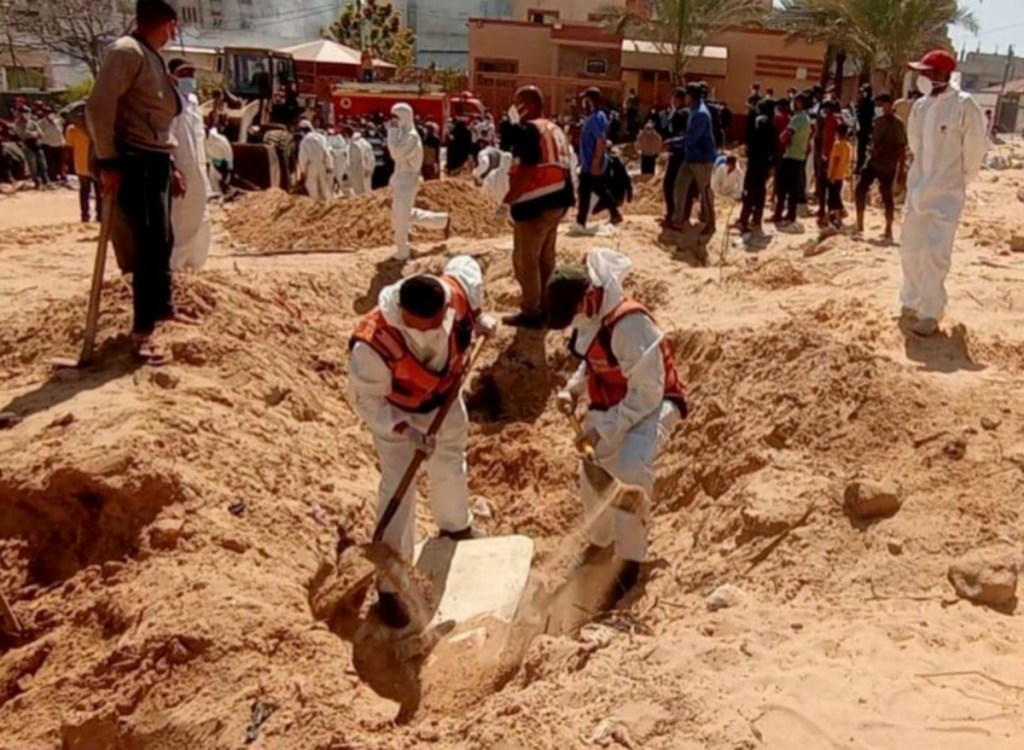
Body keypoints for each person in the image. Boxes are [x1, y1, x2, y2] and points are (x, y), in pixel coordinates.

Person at [348, 257, 496, 628]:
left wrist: (478, 319)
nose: (434, 331)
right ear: (402, 313)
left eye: (438, 323)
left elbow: (468, 269)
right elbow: (368, 402)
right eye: (423, 327)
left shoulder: (454, 291)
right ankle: (391, 585)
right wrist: (406, 431)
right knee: (400, 485)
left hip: (444, 400)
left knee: (449, 460)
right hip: (397, 414)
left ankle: (455, 524)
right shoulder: (373, 344)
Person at [548, 248, 688, 600]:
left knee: (629, 470)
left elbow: (647, 394)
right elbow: (592, 361)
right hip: (612, 401)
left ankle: (628, 562)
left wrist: (605, 428)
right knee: (592, 474)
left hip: (654, 404)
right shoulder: (590, 315)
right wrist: (573, 390)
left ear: (586, 297)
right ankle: (601, 544)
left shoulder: (629, 324)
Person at [87, 0, 188, 365]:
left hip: (155, 159)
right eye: (174, 27)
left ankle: (162, 309)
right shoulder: (126, 52)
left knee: (162, 240)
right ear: (168, 24)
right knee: (146, 245)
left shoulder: (150, 55)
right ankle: (142, 332)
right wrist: (109, 160)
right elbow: (98, 108)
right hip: (133, 161)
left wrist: (171, 165)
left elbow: (158, 120)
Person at [900, 49, 986, 337]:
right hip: (918, 191)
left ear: (943, 75)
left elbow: (974, 151)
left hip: (946, 197)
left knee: (935, 255)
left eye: (927, 72)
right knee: (911, 250)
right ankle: (910, 302)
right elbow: (915, 145)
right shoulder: (921, 107)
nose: (922, 77)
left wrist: (957, 182)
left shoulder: (964, 105)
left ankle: (930, 312)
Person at [501, 86, 574, 329]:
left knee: (526, 261)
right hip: (557, 200)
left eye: (516, 103)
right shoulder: (554, 129)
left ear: (528, 105)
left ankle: (532, 311)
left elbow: (527, 171)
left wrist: (509, 200)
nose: (513, 109)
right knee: (546, 259)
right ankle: (547, 305)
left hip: (535, 203)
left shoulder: (530, 130)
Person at [388, 103, 451, 262]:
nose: (393, 121)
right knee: (402, 214)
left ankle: (403, 250)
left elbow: (396, 154)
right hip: (401, 179)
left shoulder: (411, 136)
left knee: (401, 217)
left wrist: (391, 132)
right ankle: (441, 220)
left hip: (408, 180)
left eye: (396, 117)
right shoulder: (403, 134)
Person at [167, 58, 211, 271]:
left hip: (199, 170)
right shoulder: (169, 101)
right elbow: (166, 138)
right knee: (182, 221)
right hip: (182, 170)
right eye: (184, 73)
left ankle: (195, 266)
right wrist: (173, 169)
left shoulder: (194, 103)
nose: (190, 78)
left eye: (192, 73)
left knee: (202, 219)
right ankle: (175, 268)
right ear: (172, 76)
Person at [855, 92, 907, 242]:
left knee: (887, 197)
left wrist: (901, 169)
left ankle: (888, 228)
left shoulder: (898, 124)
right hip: (873, 162)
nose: (880, 107)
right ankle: (859, 224)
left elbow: (901, 147)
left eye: (882, 104)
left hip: (888, 165)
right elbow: (873, 141)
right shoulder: (877, 121)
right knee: (860, 189)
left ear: (889, 105)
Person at [670, 84, 717, 240]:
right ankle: (678, 220)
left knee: (704, 192)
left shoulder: (700, 114)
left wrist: (672, 142)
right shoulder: (694, 110)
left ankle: (710, 224)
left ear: (691, 96)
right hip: (691, 157)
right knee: (679, 186)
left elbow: (691, 138)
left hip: (702, 159)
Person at [574, 88, 622, 232]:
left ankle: (580, 221)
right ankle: (614, 214)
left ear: (590, 100)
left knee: (585, 191)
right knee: (597, 189)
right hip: (588, 162)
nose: (583, 103)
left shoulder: (597, 118)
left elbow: (600, 141)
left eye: (585, 100)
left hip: (592, 163)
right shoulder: (594, 116)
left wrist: (595, 162)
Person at [739, 98, 777, 241]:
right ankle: (756, 219)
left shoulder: (757, 120)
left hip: (754, 161)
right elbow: (774, 147)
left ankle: (744, 220)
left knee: (749, 191)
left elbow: (749, 137)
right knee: (760, 191)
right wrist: (771, 164)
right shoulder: (772, 125)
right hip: (764, 163)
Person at [772, 93, 811, 228]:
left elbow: (784, 136)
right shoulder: (807, 118)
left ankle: (778, 215)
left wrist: (784, 141)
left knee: (782, 189)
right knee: (793, 190)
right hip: (800, 157)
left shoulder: (797, 119)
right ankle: (790, 215)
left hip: (790, 156)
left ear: (800, 103)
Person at [65, 120, 98, 222]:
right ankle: (100, 214)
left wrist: (65, 164)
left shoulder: (72, 129)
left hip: (80, 164)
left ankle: (85, 214)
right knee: (98, 190)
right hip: (96, 164)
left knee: (84, 190)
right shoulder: (97, 127)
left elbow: (68, 148)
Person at [297, 120, 333, 202]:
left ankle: (316, 206)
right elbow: (327, 152)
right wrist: (329, 166)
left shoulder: (304, 141)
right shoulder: (321, 137)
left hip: (311, 166)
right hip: (322, 165)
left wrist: (303, 171)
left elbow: (303, 157)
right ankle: (326, 205)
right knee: (324, 186)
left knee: (312, 187)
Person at [826, 122, 853, 228]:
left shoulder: (837, 144)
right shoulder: (848, 146)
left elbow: (836, 160)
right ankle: (832, 217)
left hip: (834, 174)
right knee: (835, 196)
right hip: (841, 174)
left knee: (833, 198)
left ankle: (838, 218)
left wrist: (831, 175)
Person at [14, 107, 48, 189]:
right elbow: (22, 134)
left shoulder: (32, 123)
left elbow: (41, 133)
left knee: (43, 164)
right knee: (33, 166)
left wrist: (33, 134)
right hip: (28, 146)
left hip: (37, 145)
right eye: (22, 112)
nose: (24, 114)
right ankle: (37, 182)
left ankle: (46, 181)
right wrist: (32, 134)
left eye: (26, 112)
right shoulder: (18, 124)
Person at [38, 107, 66, 185]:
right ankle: (52, 176)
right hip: (48, 144)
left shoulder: (58, 120)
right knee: (50, 162)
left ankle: (61, 175)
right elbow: (40, 133)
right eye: (46, 113)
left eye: (49, 112)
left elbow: (61, 129)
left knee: (60, 161)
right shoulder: (41, 123)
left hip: (59, 143)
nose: (49, 115)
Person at [205, 125, 233, 196]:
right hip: (213, 163)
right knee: (214, 185)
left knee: (224, 181)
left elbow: (228, 152)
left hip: (223, 163)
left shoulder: (219, 139)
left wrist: (229, 168)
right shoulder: (203, 140)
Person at [346, 126, 375, 195]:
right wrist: (369, 168)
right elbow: (371, 157)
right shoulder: (364, 142)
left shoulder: (354, 144)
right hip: (367, 169)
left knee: (360, 191)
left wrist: (349, 171)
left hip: (359, 171)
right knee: (367, 190)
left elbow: (356, 160)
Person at [856, 84, 875, 173]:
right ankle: (859, 165)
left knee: (864, 149)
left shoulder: (870, 102)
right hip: (860, 128)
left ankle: (863, 165)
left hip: (866, 128)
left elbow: (869, 115)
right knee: (860, 148)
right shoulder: (861, 101)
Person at [325, 128, 349, 195]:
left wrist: (337, 152)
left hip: (339, 159)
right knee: (331, 176)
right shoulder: (327, 138)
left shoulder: (340, 138)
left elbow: (344, 148)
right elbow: (327, 147)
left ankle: (339, 188)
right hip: (331, 159)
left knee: (339, 174)